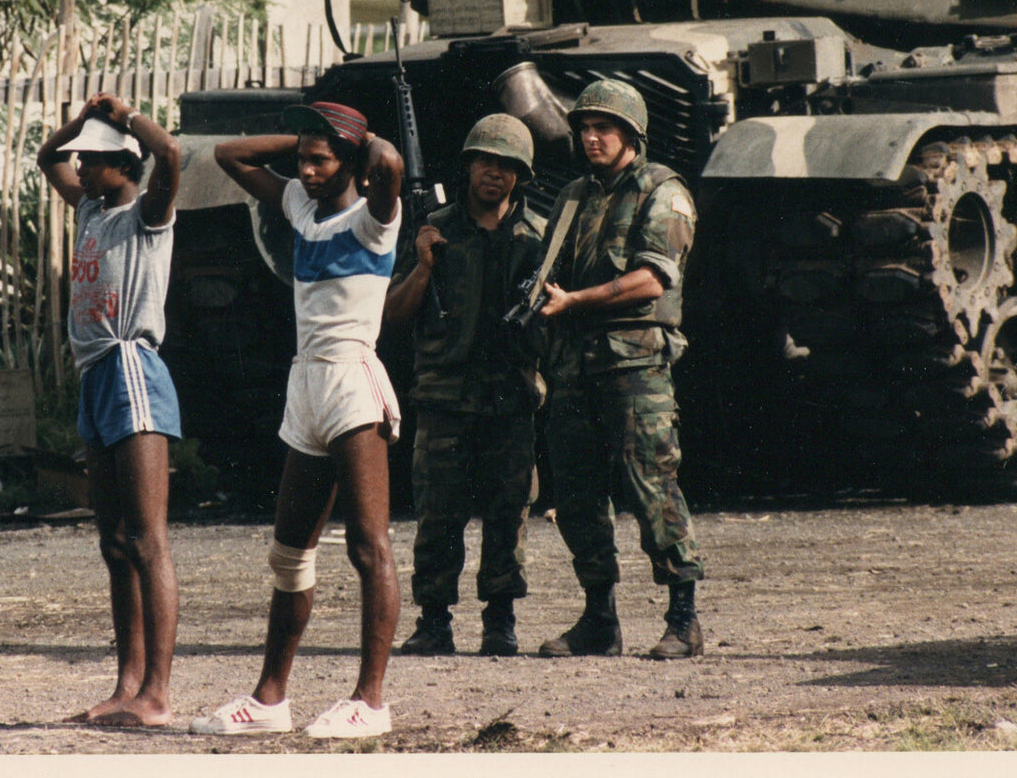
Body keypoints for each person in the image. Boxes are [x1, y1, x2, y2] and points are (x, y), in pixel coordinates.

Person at [193, 102, 404, 739]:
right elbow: (229, 155)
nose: (307, 170)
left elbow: (390, 163)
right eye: (302, 160)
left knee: (370, 547)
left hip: (351, 381)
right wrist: (313, 134)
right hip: (305, 383)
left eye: (320, 160)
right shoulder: (298, 205)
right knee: (289, 554)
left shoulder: (374, 220)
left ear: (350, 162)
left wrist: (357, 139)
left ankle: (370, 702)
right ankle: (269, 699)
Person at [533, 78, 705, 660]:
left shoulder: (664, 191)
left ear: (632, 134)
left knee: (651, 487)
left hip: (634, 366)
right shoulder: (574, 195)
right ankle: (599, 619)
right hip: (573, 364)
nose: (591, 137)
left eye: (603, 128)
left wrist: (577, 301)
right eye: (583, 127)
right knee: (577, 496)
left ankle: (684, 618)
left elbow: (652, 279)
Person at [36, 92, 183, 728]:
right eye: (84, 160)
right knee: (114, 543)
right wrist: (80, 123)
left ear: (125, 162)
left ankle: (155, 691)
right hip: (96, 376)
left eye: (95, 159)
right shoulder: (91, 212)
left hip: (132, 369)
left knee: (148, 540)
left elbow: (170, 152)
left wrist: (125, 120)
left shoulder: (146, 215)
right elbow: (47, 157)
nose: (83, 168)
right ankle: (126, 684)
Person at [384, 114, 546, 657]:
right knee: (438, 514)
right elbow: (393, 313)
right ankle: (434, 620)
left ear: (521, 176)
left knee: (509, 513)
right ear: (468, 166)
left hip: (511, 396)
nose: (492, 174)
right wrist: (424, 267)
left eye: (505, 166)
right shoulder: (433, 229)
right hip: (444, 396)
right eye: (484, 162)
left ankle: (500, 620)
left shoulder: (539, 239)